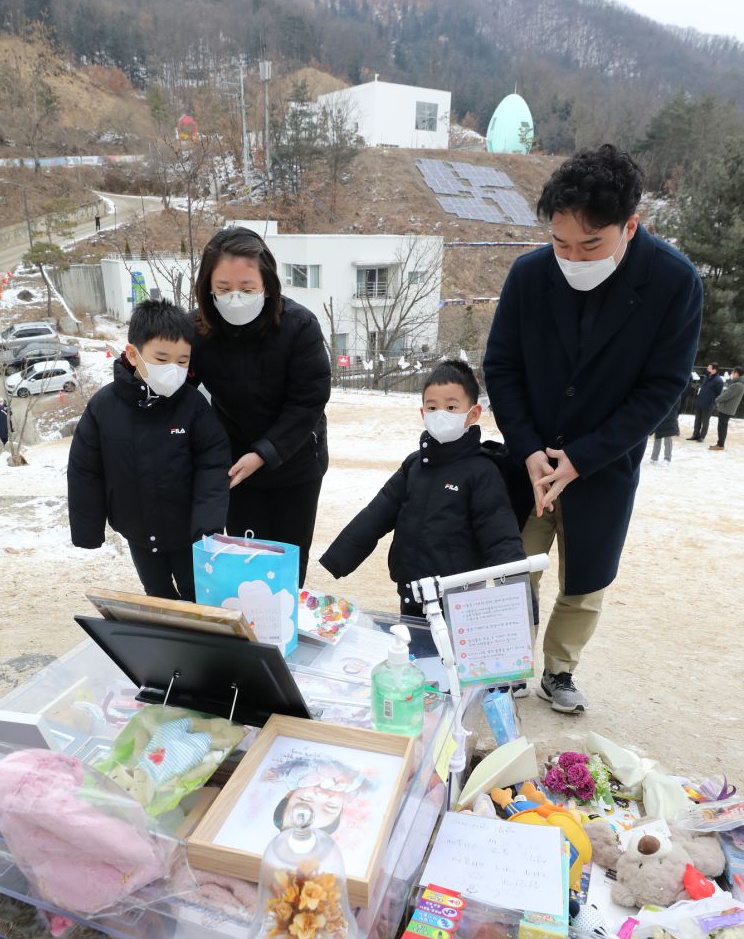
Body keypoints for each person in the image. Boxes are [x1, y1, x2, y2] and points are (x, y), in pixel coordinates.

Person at [483, 144, 703, 713]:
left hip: (604, 463)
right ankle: (506, 664)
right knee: (513, 567)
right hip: (530, 461)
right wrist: (527, 447)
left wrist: (582, 457)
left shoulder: (673, 282)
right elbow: (502, 367)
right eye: (561, 243)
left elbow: (661, 388)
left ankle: (559, 670)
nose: (573, 257)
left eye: (590, 245)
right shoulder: (530, 274)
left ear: (630, 225)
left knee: (585, 580)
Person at [319, 360, 526, 617]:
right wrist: (338, 558)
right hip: (412, 591)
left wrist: (518, 600)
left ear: (473, 414)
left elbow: (500, 537)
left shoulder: (482, 471)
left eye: (451, 407)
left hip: (459, 599)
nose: (441, 414)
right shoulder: (414, 465)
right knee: (412, 641)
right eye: (432, 407)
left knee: (449, 646)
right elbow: (376, 514)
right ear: (423, 413)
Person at [189, 227, 331, 586]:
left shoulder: (299, 326)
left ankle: (285, 616)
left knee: (286, 566)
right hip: (238, 468)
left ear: (267, 285)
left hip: (297, 462)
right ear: (208, 287)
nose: (235, 298)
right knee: (246, 563)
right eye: (223, 288)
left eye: (247, 288)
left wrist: (264, 453)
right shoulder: (198, 330)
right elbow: (174, 383)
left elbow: (308, 401)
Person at [68, 299, 231, 601]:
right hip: (138, 531)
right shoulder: (104, 407)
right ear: (133, 354)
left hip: (188, 533)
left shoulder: (193, 406)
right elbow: (85, 469)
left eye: (182, 361)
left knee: (199, 596)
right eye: (161, 358)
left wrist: (207, 528)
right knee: (157, 595)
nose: (173, 369)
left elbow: (213, 463)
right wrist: (87, 529)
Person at [710, 366, 744, 451]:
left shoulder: (738, 385)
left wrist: (717, 399)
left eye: (733, 372)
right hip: (727, 408)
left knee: (722, 427)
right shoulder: (738, 384)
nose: (731, 373)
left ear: (737, 373)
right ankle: (720, 444)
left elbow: (726, 395)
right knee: (722, 426)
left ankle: (720, 445)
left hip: (726, 409)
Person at [688, 364, 723, 442]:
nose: (707, 369)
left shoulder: (719, 381)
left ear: (714, 370)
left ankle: (701, 437)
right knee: (697, 420)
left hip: (708, 404)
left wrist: (712, 401)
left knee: (705, 421)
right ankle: (695, 435)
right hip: (699, 402)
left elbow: (718, 394)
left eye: (709, 368)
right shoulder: (706, 377)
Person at [649, 397, 681, 466]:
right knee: (657, 438)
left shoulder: (676, 394)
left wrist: (672, 416)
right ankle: (654, 458)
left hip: (670, 417)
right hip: (661, 416)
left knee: (667, 439)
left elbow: (677, 407)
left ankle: (667, 459)